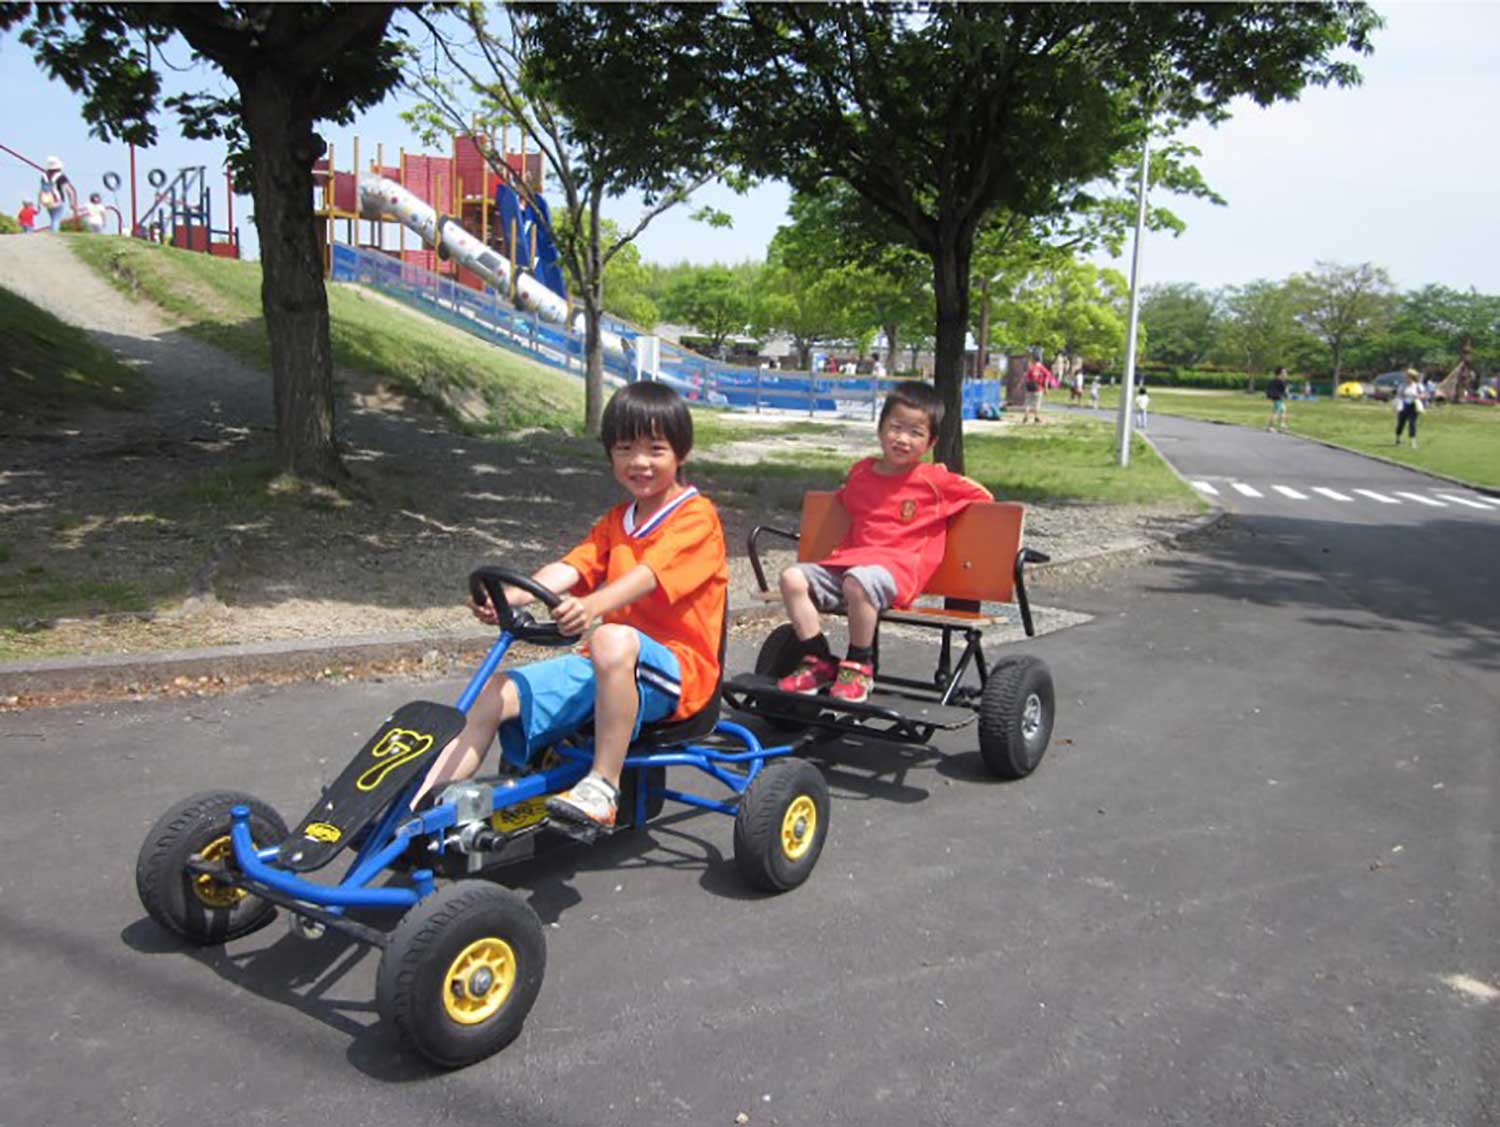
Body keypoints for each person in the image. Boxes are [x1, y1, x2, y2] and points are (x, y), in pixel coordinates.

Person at [413, 381, 728, 829]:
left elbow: (647, 576)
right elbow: (572, 568)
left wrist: (592, 605)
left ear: (682, 452)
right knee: (494, 693)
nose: (639, 462)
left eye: (655, 449)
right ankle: (419, 813)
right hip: (607, 660)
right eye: (625, 449)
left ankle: (603, 786)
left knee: (609, 637)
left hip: (678, 674)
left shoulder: (698, 518)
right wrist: (511, 595)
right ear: (610, 455)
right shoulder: (617, 520)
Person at [774, 380, 993, 704]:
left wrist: (950, 483)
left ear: (930, 442)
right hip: (852, 564)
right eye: (896, 428)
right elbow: (849, 500)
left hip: (897, 571)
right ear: (880, 429)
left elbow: (983, 496)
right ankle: (818, 659)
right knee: (791, 578)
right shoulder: (862, 472)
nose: (903, 439)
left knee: (857, 582)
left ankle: (859, 664)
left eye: (916, 433)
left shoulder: (933, 481)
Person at [37, 157, 77, 233]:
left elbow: (41, 190)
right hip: (58, 200)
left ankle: (52, 232)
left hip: (47, 200)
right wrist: (72, 203)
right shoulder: (61, 176)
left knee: (52, 218)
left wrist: (39, 203)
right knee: (56, 219)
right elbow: (68, 190)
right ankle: (54, 234)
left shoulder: (44, 176)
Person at [1394, 368, 1423, 450]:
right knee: (1401, 423)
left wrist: (1419, 396)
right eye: (1407, 376)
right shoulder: (1402, 385)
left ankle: (1413, 442)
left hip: (1413, 406)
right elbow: (1398, 395)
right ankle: (1398, 439)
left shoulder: (1418, 386)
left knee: (1412, 424)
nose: (1407, 378)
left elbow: (1424, 394)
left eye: (1409, 376)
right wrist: (1398, 404)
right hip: (1404, 405)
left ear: (1413, 377)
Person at [1022, 356, 1050, 424]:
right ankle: (1036, 417)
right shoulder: (1042, 368)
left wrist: (1025, 386)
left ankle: (1026, 416)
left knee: (1028, 403)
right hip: (1038, 388)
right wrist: (1046, 387)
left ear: (1034, 360)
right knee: (1037, 404)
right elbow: (1047, 376)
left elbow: (1026, 378)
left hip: (1030, 388)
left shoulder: (1031, 368)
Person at [1265, 366, 1289, 433]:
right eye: (1284, 372)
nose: (1286, 373)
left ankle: (1282, 426)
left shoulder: (1274, 380)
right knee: (1276, 411)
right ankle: (1271, 427)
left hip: (1276, 397)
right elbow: (1285, 391)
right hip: (1278, 398)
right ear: (1280, 373)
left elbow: (1269, 389)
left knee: (1283, 410)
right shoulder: (1281, 381)